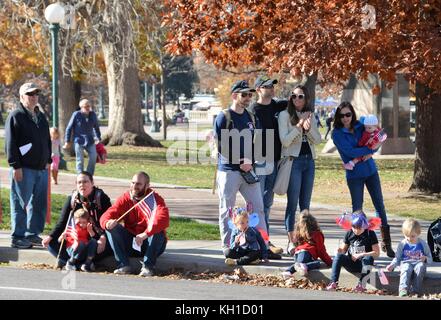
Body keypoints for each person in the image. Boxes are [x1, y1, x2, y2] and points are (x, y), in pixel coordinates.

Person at [214, 80, 280, 260]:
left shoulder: (251, 117)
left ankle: (263, 246)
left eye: (250, 95)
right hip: (228, 171)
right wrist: (239, 161)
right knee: (227, 210)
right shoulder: (224, 117)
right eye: (244, 94)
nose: (248, 98)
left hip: (249, 170)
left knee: (258, 208)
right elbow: (221, 145)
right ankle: (228, 247)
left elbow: (255, 141)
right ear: (235, 96)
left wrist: (251, 160)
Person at [332, 101, 395, 257]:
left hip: (370, 171)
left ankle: (386, 244)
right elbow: (350, 152)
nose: (345, 118)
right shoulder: (337, 134)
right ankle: (357, 244)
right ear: (338, 117)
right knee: (357, 209)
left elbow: (377, 138)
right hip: (354, 176)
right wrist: (369, 150)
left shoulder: (361, 125)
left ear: (352, 114)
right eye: (342, 116)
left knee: (379, 205)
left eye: (348, 114)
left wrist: (373, 151)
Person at [5, 82, 52, 249]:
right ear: (22, 97)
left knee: (39, 204)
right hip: (23, 169)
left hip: (41, 169)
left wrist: (48, 161)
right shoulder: (16, 116)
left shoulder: (41, 117)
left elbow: (47, 139)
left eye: (36, 94)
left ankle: (32, 234)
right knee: (19, 203)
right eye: (30, 94)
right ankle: (18, 236)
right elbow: (10, 144)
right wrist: (15, 166)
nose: (34, 97)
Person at [99, 172, 169, 276]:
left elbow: (163, 218)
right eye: (133, 183)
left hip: (149, 242)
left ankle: (148, 267)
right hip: (132, 242)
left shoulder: (155, 199)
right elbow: (108, 214)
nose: (134, 186)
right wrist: (107, 222)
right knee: (111, 227)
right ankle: (123, 265)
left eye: (139, 184)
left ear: (147, 185)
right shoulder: (126, 198)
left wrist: (146, 233)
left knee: (157, 231)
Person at [278, 85, 321, 252]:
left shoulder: (311, 115)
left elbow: (317, 140)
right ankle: (291, 241)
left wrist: (308, 129)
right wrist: (299, 126)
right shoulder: (284, 115)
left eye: (300, 96)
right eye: (293, 96)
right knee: (292, 203)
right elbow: (285, 141)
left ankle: (305, 241)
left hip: (308, 161)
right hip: (293, 162)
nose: (297, 99)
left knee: (305, 206)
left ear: (306, 98)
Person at [42, 171, 112, 268]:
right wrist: (51, 236)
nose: (82, 185)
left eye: (85, 182)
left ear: (92, 183)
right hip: (76, 237)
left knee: (106, 246)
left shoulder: (102, 198)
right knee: (51, 243)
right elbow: (62, 222)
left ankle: (77, 262)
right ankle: (75, 263)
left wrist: (103, 237)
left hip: (96, 237)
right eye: (79, 182)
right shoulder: (73, 199)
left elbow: (109, 220)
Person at [249, 75, 287, 255]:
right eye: (266, 87)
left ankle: (264, 240)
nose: (271, 89)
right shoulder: (252, 110)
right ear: (258, 89)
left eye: (272, 87)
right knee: (258, 204)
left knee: (267, 203)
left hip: (275, 159)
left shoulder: (277, 106)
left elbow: (302, 103)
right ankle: (259, 241)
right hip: (259, 161)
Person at [326, 212, 380, 292]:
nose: (356, 230)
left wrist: (362, 254)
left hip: (364, 265)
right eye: (354, 227)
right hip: (351, 263)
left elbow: (377, 253)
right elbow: (343, 250)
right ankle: (333, 282)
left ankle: (361, 285)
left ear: (365, 225)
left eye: (359, 228)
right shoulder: (349, 233)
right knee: (338, 257)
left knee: (368, 258)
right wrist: (338, 250)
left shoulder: (370, 234)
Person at [386, 218, 432, 297]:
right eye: (407, 236)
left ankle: (415, 291)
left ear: (418, 233)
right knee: (406, 268)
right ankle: (403, 289)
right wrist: (392, 265)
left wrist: (425, 258)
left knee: (420, 267)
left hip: (419, 263)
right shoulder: (403, 244)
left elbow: (430, 259)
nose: (409, 238)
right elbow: (398, 257)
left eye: (412, 236)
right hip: (406, 262)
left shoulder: (423, 244)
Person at [281, 210, 332, 278]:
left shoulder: (299, 233)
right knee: (317, 263)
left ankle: (288, 271)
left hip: (297, 254)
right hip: (307, 253)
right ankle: (302, 267)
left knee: (299, 264)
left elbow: (296, 244)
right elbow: (321, 251)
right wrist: (330, 262)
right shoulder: (317, 234)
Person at [64, 99, 101, 175]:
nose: (88, 108)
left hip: (90, 140)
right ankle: (80, 176)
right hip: (79, 140)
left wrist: (98, 138)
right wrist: (67, 141)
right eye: (85, 106)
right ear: (81, 107)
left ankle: (89, 176)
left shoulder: (93, 114)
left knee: (93, 157)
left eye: (89, 106)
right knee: (80, 160)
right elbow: (69, 128)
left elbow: (96, 127)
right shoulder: (76, 114)